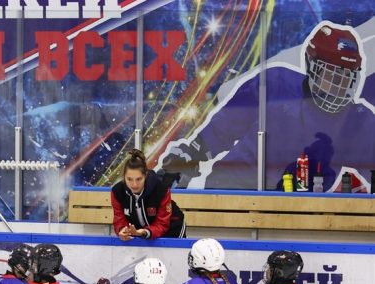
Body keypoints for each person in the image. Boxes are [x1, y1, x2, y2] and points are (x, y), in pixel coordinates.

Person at [160, 22, 375, 191]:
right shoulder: (274, 84)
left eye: (346, 79)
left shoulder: (359, 121)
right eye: (331, 76)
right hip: (232, 190)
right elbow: (223, 127)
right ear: (311, 65)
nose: (338, 87)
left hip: (299, 211)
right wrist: (188, 157)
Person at [111, 148, 186, 241]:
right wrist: (123, 230)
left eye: (139, 179)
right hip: (139, 231)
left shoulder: (161, 189)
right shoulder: (117, 192)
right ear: (124, 177)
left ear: (145, 175)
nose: (134, 184)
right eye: (129, 179)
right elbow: (119, 220)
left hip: (172, 228)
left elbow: (162, 223)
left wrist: (144, 232)